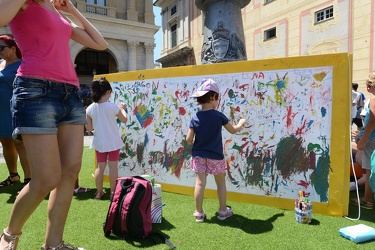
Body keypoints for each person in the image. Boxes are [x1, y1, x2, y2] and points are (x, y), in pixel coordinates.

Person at [0, 1, 108, 249]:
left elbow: (100, 43)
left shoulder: (58, 13)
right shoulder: (24, 3)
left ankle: (53, 244)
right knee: (46, 178)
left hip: (69, 93)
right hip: (35, 89)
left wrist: (71, 10)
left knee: (70, 172)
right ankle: (9, 235)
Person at [186, 79, 247, 222]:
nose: (218, 101)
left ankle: (199, 213)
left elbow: (189, 139)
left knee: (200, 183)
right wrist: (241, 123)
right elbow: (233, 131)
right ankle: (222, 211)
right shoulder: (218, 115)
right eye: (218, 97)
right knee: (220, 183)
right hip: (215, 156)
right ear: (212, 97)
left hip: (198, 155)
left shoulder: (195, 117)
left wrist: (198, 142)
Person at [85, 77, 127, 200]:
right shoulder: (113, 106)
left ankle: (99, 192)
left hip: (99, 142)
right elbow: (124, 120)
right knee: (113, 167)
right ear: (108, 91)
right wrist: (123, 109)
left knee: (100, 167)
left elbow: (88, 129)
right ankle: (113, 193)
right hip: (113, 141)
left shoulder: (90, 108)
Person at [0, 35, 31, 193]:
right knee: (6, 142)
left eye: (1, 48)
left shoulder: (23, 65)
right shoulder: (0, 64)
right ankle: (13, 176)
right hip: (1, 111)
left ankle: (29, 179)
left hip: (17, 110)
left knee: (20, 144)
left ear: (13, 49)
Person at [351, 72, 375, 210]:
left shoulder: (373, 100)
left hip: (371, 139)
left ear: (369, 87)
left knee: (369, 170)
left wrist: (362, 140)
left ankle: (367, 200)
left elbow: (372, 121)